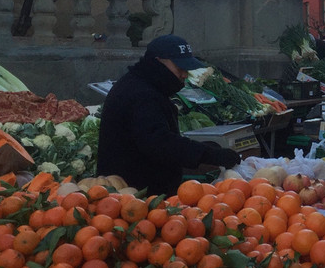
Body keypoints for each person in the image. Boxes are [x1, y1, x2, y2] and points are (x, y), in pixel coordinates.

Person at [97, 35, 241, 196]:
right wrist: (207, 154)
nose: (184, 74)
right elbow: (158, 141)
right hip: (133, 196)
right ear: (158, 61)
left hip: (143, 192)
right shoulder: (142, 94)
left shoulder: (146, 85)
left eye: (186, 69)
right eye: (180, 68)